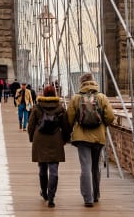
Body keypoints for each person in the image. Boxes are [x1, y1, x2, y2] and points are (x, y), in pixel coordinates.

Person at [66, 72, 115, 207]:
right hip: (98, 137)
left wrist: (67, 134)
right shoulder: (101, 97)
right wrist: (102, 124)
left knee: (85, 167)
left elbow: (69, 118)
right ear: (93, 81)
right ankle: (96, 195)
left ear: (81, 83)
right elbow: (110, 116)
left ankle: (88, 198)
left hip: (81, 138)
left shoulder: (76, 98)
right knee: (95, 166)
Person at [27, 84, 70, 208]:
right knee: (54, 169)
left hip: (40, 139)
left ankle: (44, 193)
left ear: (44, 94)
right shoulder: (60, 108)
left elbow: (30, 125)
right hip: (55, 139)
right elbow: (65, 126)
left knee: (42, 168)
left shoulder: (37, 107)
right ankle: (51, 197)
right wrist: (65, 139)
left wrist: (32, 139)